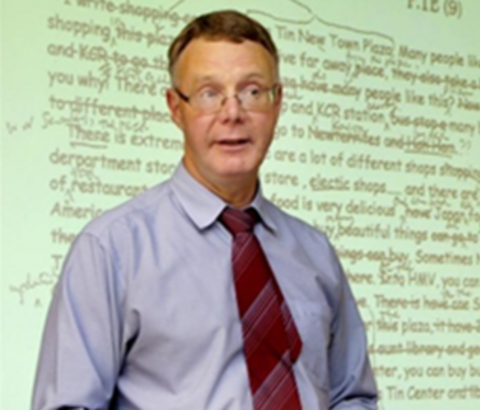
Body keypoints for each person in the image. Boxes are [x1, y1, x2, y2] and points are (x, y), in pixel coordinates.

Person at [32, 10, 378, 410]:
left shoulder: (315, 253)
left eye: (252, 91)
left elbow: (352, 397)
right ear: (175, 108)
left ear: (277, 102)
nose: (232, 113)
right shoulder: (110, 250)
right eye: (209, 93)